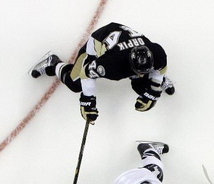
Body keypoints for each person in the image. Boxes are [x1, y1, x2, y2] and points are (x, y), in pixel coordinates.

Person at [29, 22, 175, 123]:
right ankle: (53, 63)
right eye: (139, 71)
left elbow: (161, 69)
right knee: (75, 83)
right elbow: (87, 73)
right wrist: (88, 101)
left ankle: (153, 81)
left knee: (143, 87)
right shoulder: (111, 66)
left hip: (122, 43)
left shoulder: (157, 54)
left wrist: (154, 89)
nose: (143, 74)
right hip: (97, 43)